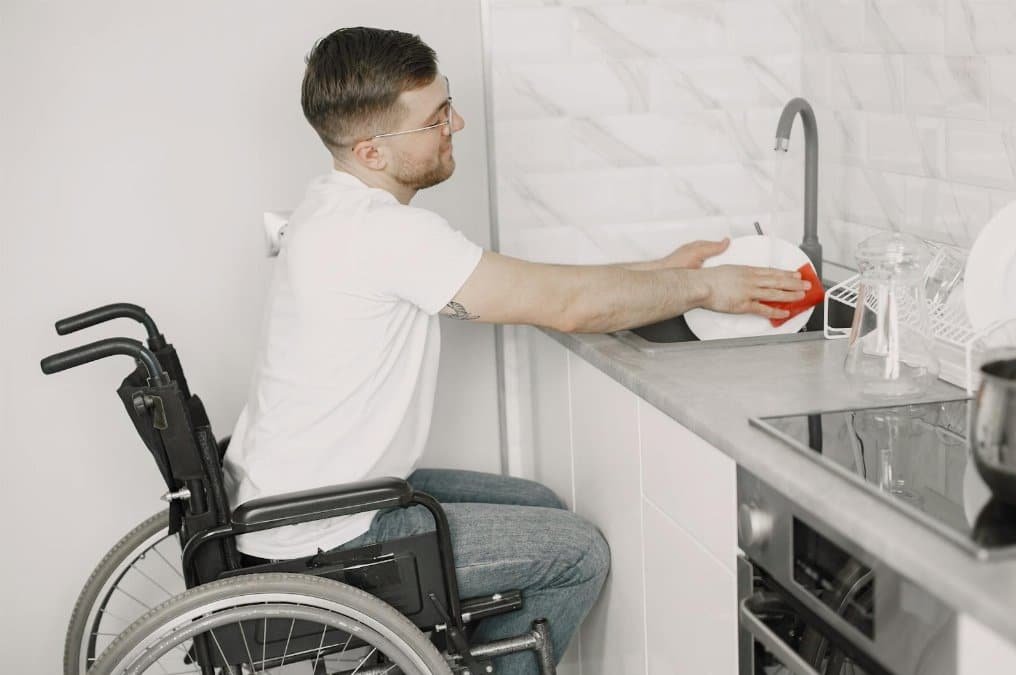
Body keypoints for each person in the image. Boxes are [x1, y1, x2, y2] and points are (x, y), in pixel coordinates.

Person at [222, 26, 811, 674]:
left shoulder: (333, 205)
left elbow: (532, 283)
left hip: (303, 503)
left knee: (543, 508)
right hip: (331, 533)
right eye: (438, 116)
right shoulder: (385, 235)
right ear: (372, 150)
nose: (459, 122)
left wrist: (658, 268)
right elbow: (565, 305)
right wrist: (703, 286)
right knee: (579, 553)